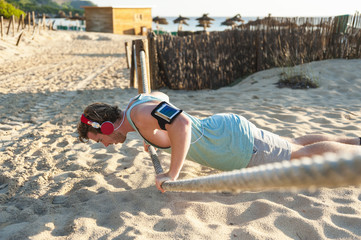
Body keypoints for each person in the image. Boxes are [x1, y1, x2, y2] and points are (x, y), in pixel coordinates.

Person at [77, 91, 361, 192]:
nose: (103, 145)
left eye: (98, 138)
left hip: (229, 143)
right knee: (293, 142)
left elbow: (183, 123)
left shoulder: (139, 113)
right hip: (224, 131)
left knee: (298, 155)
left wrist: (172, 174)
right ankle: (355, 141)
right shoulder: (136, 108)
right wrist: (151, 137)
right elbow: (161, 97)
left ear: (104, 125)